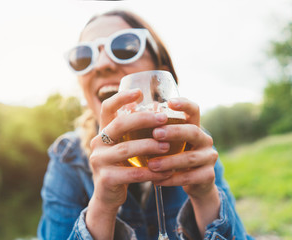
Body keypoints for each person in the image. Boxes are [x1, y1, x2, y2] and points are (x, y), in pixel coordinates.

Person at [37, 9, 254, 240]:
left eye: (124, 47)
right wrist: (102, 206)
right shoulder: (67, 158)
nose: (101, 64)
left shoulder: (194, 143)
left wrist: (205, 196)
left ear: (162, 71)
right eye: (83, 56)